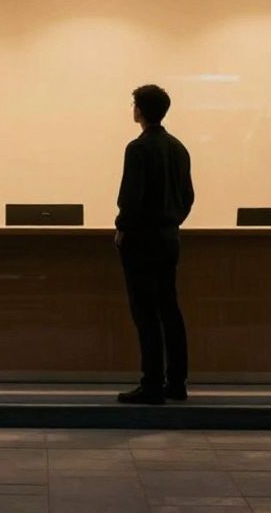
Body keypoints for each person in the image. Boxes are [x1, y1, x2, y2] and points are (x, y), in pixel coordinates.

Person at [114, 84, 195, 405]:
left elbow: (131, 197)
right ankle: (176, 382)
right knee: (169, 308)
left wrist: (122, 228)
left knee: (145, 312)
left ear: (140, 110)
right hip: (169, 237)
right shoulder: (179, 148)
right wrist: (172, 222)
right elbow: (188, 197)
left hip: (141, 240)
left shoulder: (138, 148)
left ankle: (151, 383)